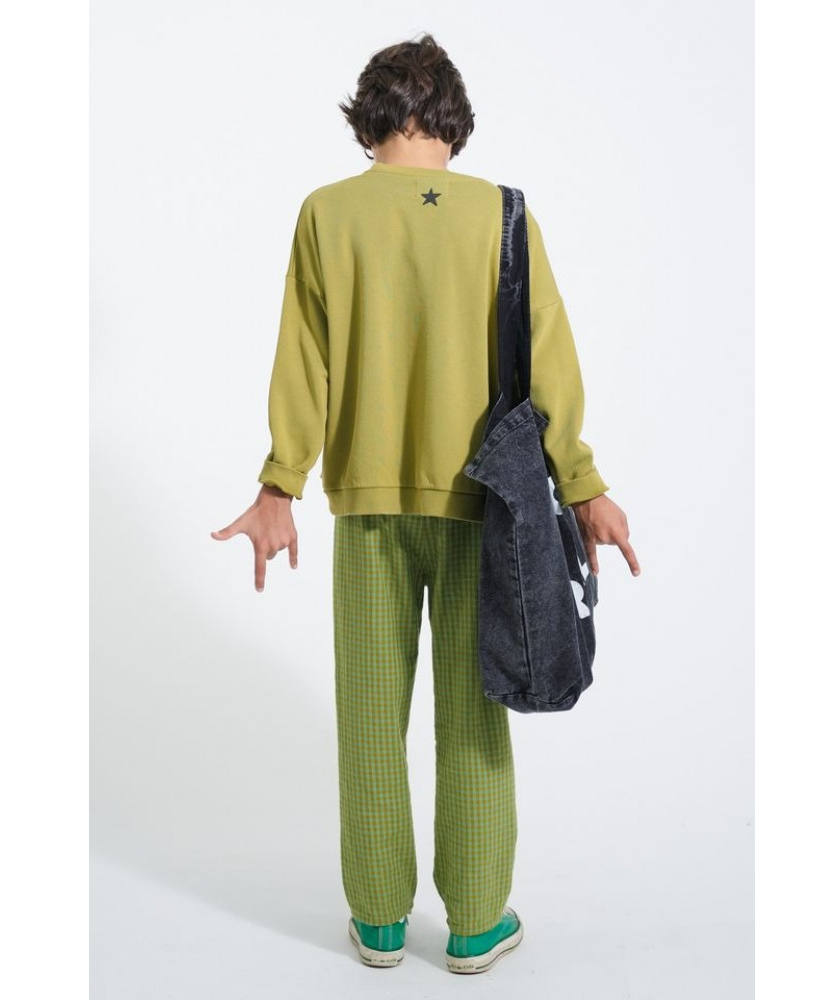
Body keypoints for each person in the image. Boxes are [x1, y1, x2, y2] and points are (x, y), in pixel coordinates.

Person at [211, 32, 640, 975]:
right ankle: (477, 923)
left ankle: (376, 922)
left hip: (367, 506)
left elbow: (303, 360)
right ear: (451, 119)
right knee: (476, 713)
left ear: (369, 120)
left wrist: (281, 483)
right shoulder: (503, 214)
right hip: (486, 507)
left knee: (370, 717)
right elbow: (551, 365)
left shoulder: (326, 212)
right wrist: (584, 486)